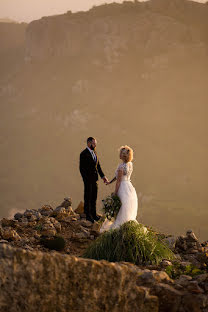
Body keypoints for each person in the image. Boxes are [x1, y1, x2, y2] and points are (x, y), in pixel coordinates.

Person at [100, 145, 138, 232]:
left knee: (121, 207)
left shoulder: (121, 167)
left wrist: (115, 193)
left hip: (122, 187)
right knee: (126, 207)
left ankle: (119, 226)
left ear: (123, 155)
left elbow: (119, 181)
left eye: (120, 153)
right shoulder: (130, 165)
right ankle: (126, 225)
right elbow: (119, 177)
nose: (119, 154)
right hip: (129, 186)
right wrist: (110, 182)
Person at [79, 137, 109, 223]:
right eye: (93, 143)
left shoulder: (95, 153)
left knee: (94, 197)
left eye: (95, 143)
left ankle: (94, 214)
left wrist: (103, 176)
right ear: (88, 143)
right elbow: (81, 169)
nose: (95, 145)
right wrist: (85, 179)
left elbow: (98, 166)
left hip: (95, 179)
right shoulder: (83, 154)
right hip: (88, 180)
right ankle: (88, 215)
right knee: (87, 197)